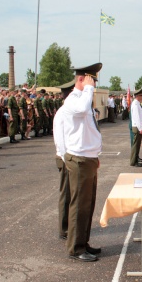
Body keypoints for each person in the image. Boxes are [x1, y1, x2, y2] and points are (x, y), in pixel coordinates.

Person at [54, 63, 103, 262]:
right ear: (81, 79)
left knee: (87, 205)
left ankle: (83, 242)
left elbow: (89, 130)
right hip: (80, 160)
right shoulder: (74, 100)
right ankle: (75, 247)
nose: (94, 85)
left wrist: (96, 155)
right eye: (91, 80)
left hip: (88, 158)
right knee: (78, 205)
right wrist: (88, 89)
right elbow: (82, 111)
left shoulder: (83, 99)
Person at [53, 80, 75, 241]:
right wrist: (67, 159)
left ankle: (68, 226)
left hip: (68, 157)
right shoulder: (62, 113)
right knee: (66, 194)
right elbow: (60, 142)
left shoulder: (66, 111)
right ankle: (64, 228)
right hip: (65, 158)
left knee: (70, 193)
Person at [130, 88, 142, 167]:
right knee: (136, 145)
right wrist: (140, 129)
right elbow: (136, 118)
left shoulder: (137, 104)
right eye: (141, 96)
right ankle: (133, 162)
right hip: (137, 127)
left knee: (137, 145)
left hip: (138, 127)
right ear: (137, 96)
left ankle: (135, 160)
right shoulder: (135, 104)